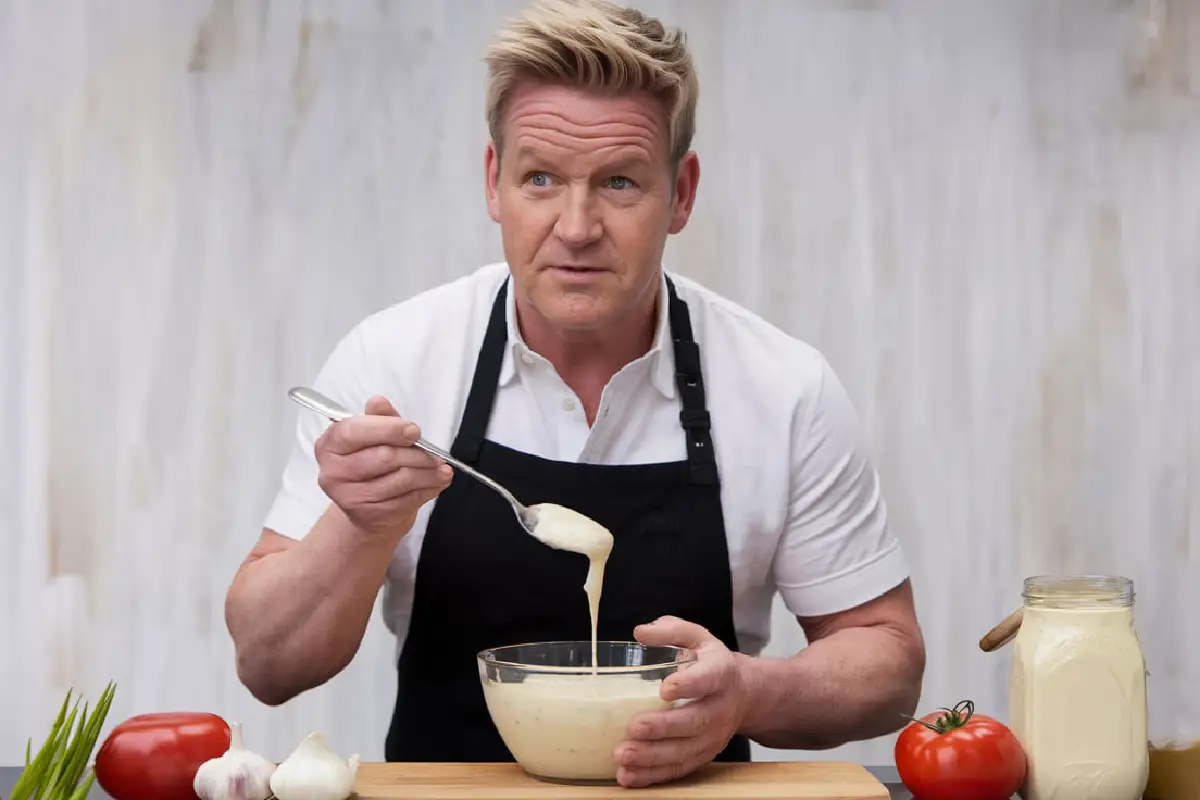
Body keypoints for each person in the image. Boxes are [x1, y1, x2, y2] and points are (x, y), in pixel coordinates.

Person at [225, 0, 926, 788]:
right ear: (495, 182)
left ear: (682, 192)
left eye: (620, 182)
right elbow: (267, 664)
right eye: (541, 179)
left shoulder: (784, 389)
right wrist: (360, 526)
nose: (577, 225)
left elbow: (888, 662)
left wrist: (749, 694)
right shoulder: (396, 363)